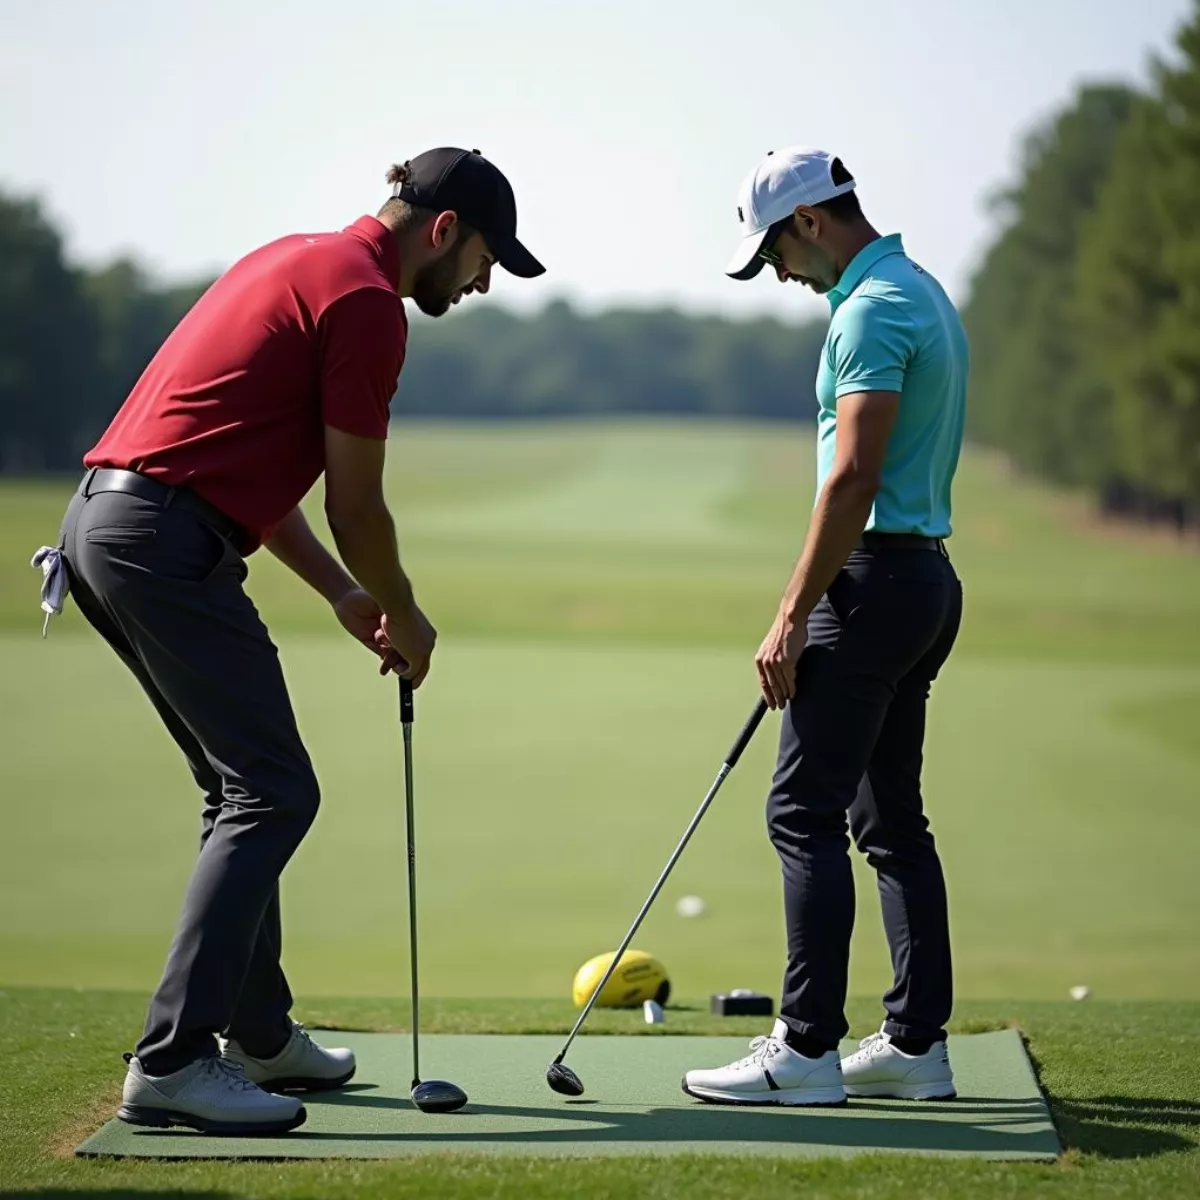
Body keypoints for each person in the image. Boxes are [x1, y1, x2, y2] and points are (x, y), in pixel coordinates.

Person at [47, 148, 544, 1134]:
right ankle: (176, 1059)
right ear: (444, 232)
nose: (486, 282)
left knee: (241, 787)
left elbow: (255, 471)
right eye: (488, 258)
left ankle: (261, 1034)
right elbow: (357, 504)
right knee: (274, 791)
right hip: (160, 540)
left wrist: (345, 598)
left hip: (104, 528)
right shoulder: (367, 304)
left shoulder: (292, 258)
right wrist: (404, 609)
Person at [684, 147, 967, 1107]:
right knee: (889, 822)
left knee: (801, 814)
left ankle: (805, 1052)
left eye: (771, 251)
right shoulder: (916, 288)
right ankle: (915, 1045)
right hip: (924, 581)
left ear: (808, 221)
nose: (775, 274)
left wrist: (790, 614)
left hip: (873, 585)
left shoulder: (869, 310)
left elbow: (852, 476)